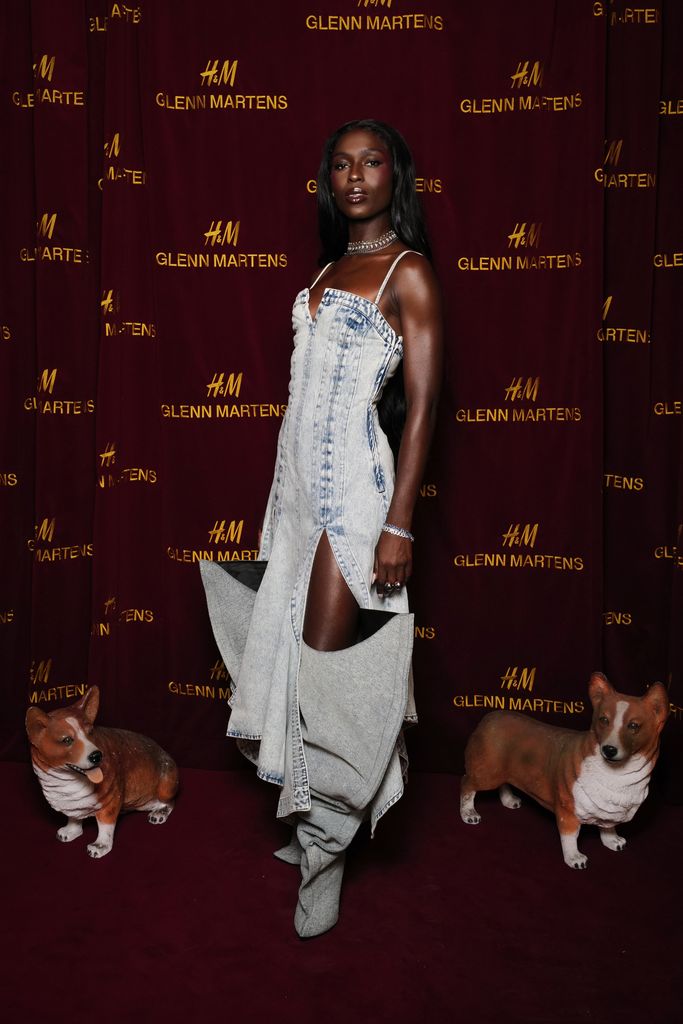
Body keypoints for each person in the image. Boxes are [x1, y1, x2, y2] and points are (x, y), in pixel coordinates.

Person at [200, 118, 443, 938]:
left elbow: (422, 408)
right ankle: (313, 819)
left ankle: (326, 853)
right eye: (341, 164)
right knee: (289, 663)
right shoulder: (328, 269)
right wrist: (279, 504)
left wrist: (399, 524)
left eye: (372, 162)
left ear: (395, 177)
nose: (355, 176)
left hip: (355, 500)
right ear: (327, 181)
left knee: (330, 668)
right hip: (297, 495)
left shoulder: (407, 273)